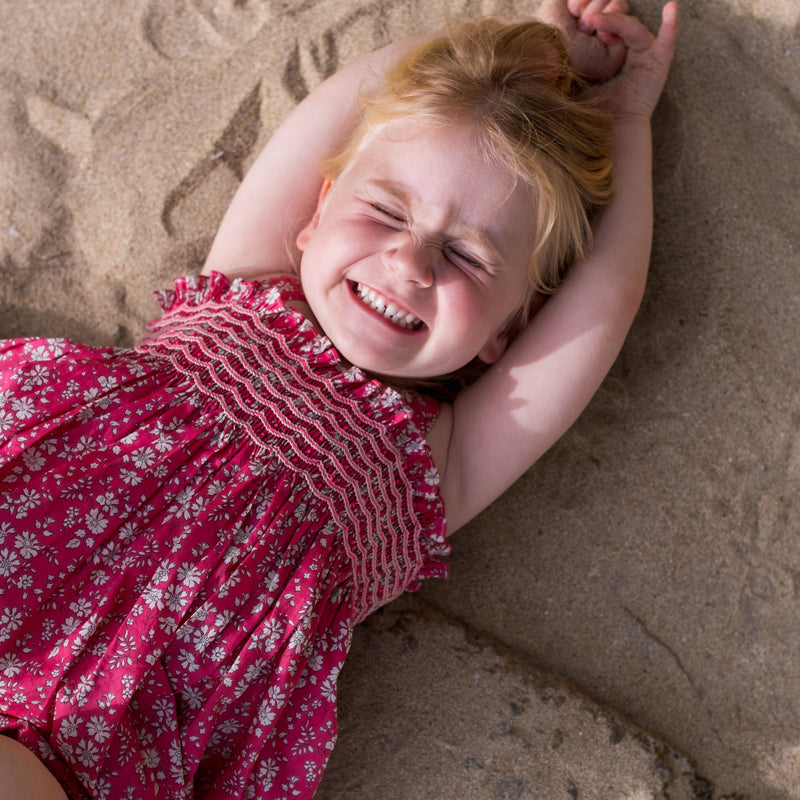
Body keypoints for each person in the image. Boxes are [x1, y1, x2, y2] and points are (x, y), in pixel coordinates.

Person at [0, 1, 678, 797]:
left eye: (467, 256)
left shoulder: (441, 460)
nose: (410, 260)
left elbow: (606, 300)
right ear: (314, 217)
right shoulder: (242, 287)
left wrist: (628, 121)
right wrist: (509, 47)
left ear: (512, 330)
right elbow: (339, 110)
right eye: (384, 211)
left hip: (113, 734)